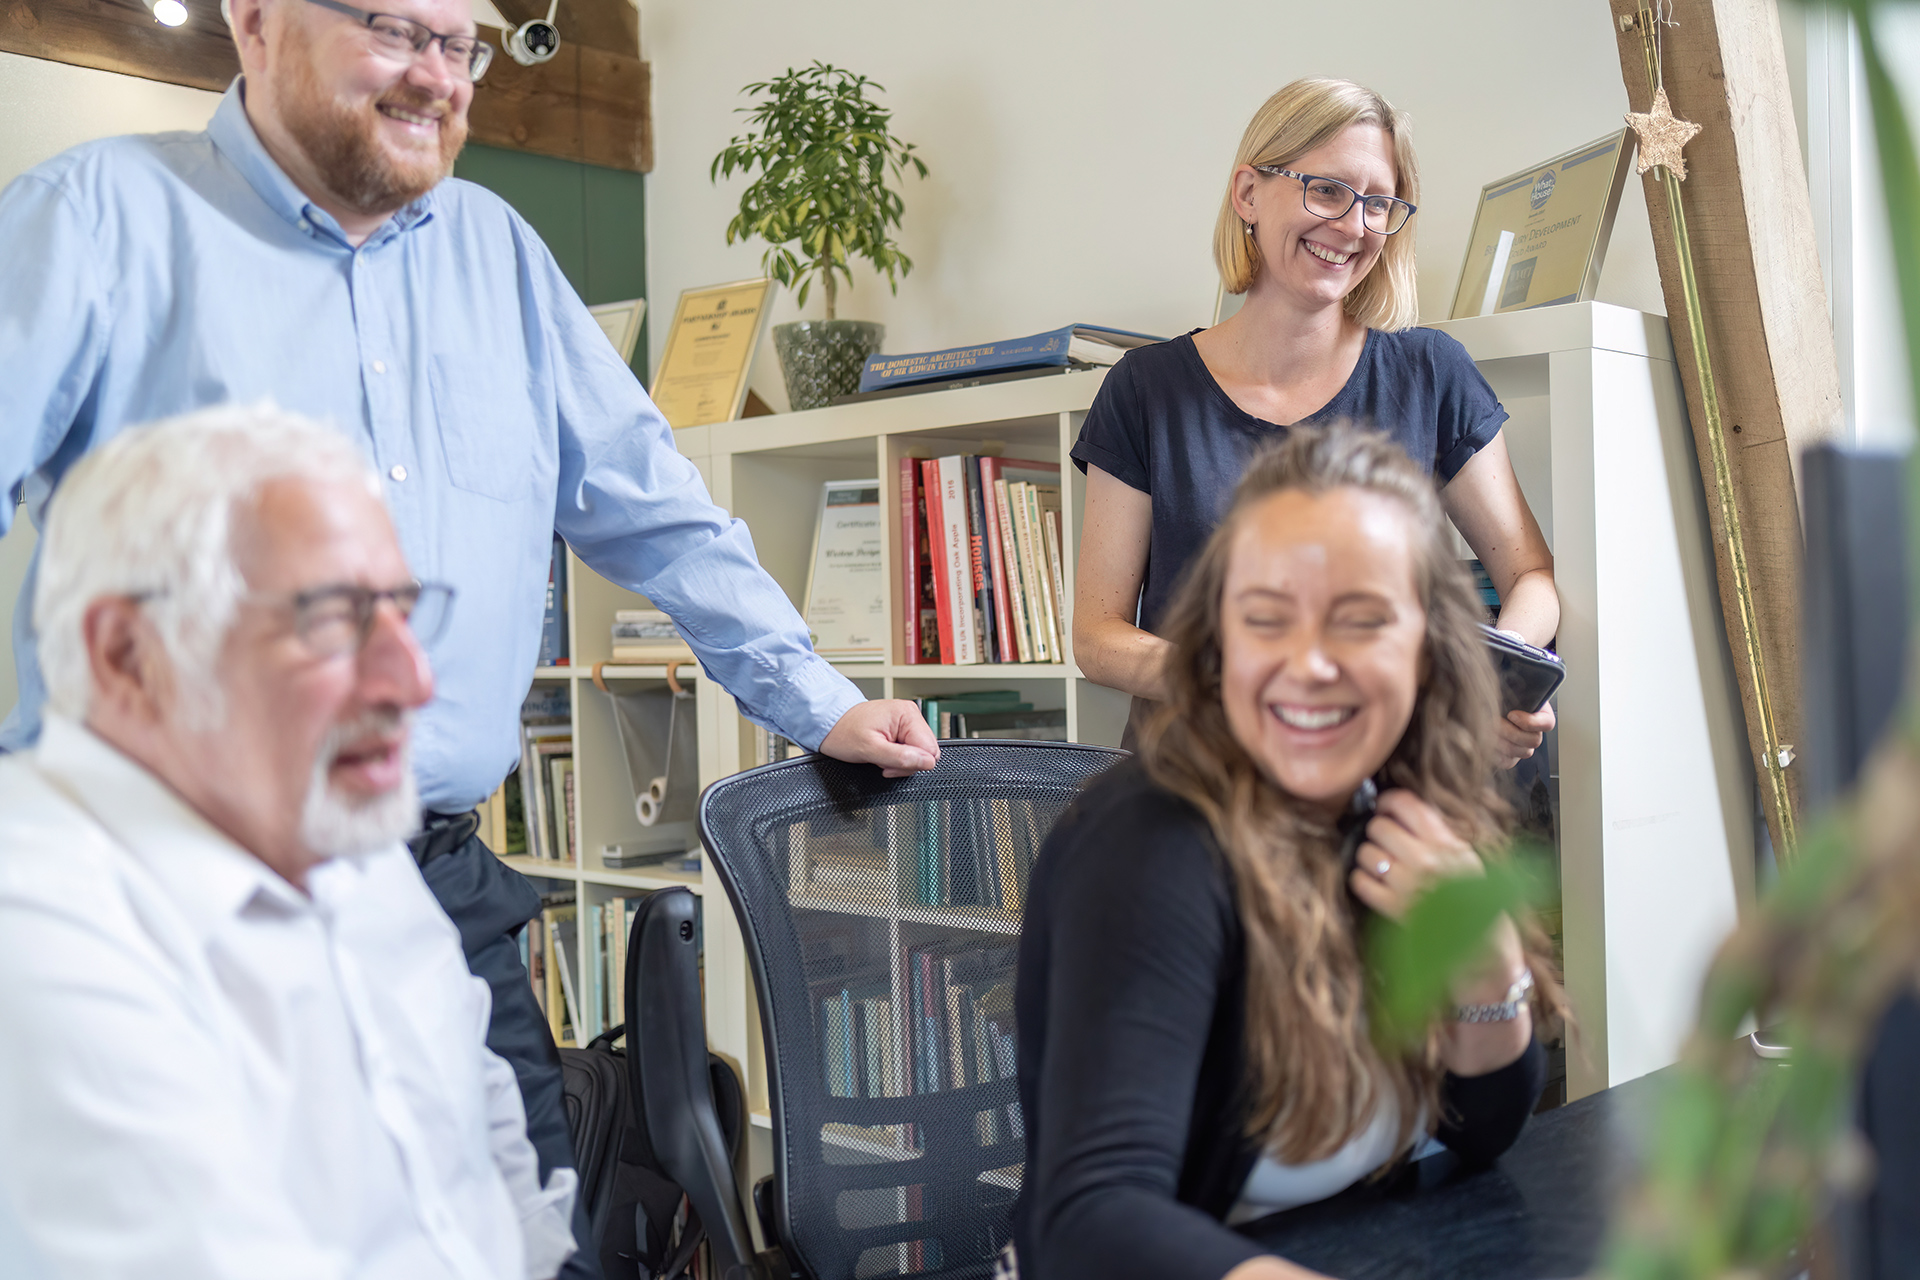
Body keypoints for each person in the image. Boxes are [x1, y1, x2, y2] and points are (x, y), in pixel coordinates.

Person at [0, 1, 937, 1267]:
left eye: (463, 43)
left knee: (515, 1241)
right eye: (395, 27)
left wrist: (815, 697)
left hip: (434, 886)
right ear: (257, 19)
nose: (435, 75)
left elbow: (654, 508)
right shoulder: (99, 218)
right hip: (157, 893)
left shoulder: (497, 252)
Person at [0, 406, 578, 1279]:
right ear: (127, 655)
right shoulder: (40, 936)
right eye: (334, 622)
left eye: (404, 613)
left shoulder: (347, 841)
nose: (414, 680)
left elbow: (491, 1157)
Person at [1010, 425, 1564, 1280]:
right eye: (1268, 619)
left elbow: (1477, 1136)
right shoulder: (1152, 844)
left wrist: (1488, 971)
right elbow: (1094, 1219)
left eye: (1361, 621)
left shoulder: (1404, 802)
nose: (1309, 665)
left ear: (1429, 652)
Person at [1072, 77, 1558, 768]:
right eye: (1326, 190)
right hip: (1194, 795)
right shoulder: (1146, 390)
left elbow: (1531, 575)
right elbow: (1097, 636)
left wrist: (1492, 684)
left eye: (1378, 203)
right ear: (1248, 194)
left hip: (1383, 792)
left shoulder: (1431, 373)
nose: (1354, 226)